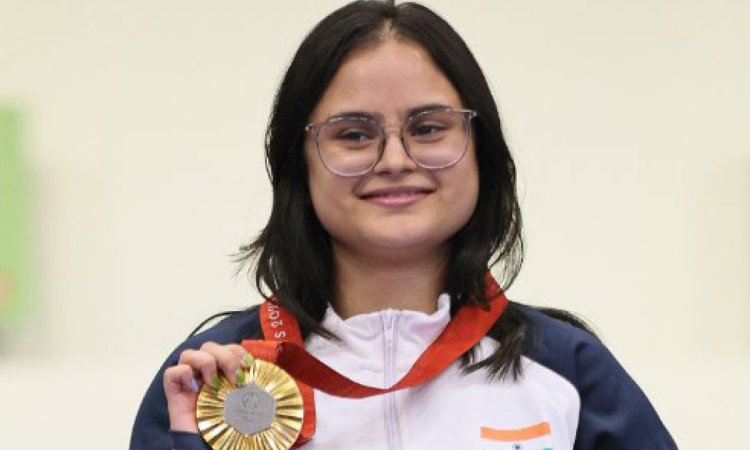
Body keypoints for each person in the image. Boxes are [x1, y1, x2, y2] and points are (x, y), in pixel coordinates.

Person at [130, 1, 677, 449]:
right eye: (354, 134)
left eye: (429, 127)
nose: (395, 159)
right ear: (298, 164)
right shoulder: (216, 380)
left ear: (481, 150)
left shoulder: (567, 370)